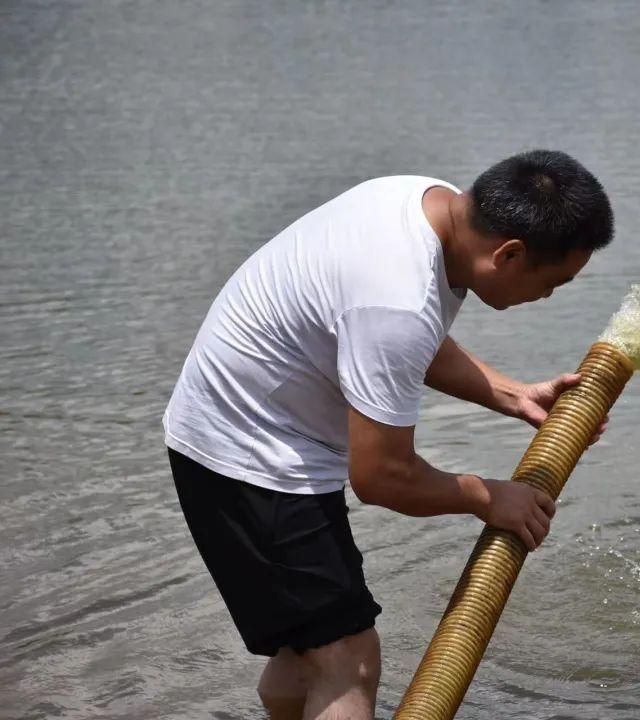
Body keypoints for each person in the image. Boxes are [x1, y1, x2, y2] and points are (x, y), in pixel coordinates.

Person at [162, 149, 615, 720]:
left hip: (239, 429)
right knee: (348, 661)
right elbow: (382, 477)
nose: (549, 296)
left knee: (307, 648)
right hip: (250, 458)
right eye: (554, 283)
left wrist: (512, 394)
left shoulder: (421, 201)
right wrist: (488, 497)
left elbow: (391, 336)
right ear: (510, 253)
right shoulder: (396, 297)